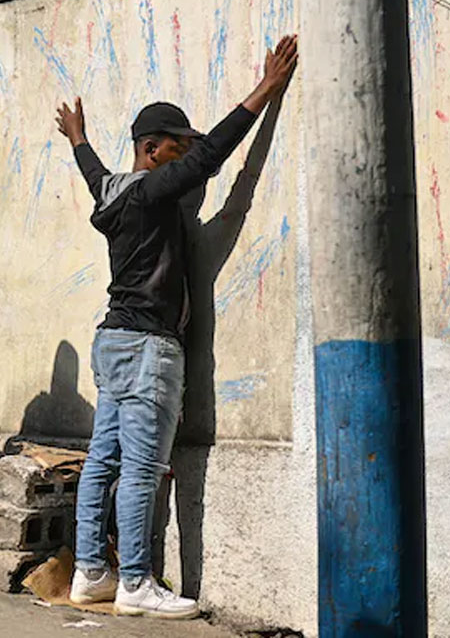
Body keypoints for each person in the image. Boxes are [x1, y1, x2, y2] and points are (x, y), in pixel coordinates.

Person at [55, 35, 298, 618]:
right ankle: (136, 582)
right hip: (146, 348)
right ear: (152, 150)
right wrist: (267, 88)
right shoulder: (154, 191)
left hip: (113, 342)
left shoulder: (113, 192)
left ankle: (91, 573)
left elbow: (93, 169)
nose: (187, 160)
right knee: (139, 467)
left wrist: (78, 138)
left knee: (102, 460)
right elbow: (213, 154)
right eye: (177, 148)